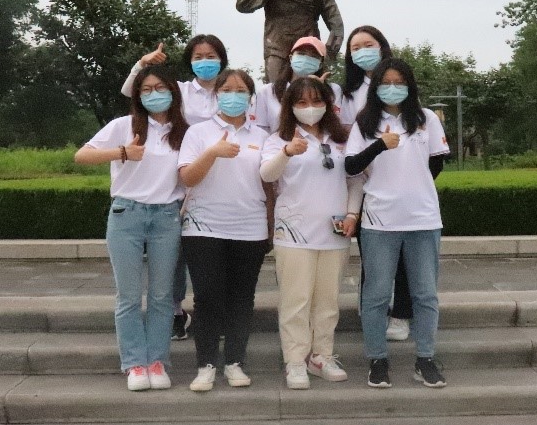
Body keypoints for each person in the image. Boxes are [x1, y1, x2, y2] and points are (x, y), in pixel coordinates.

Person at [74, 65, 188, 391]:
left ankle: (157, 361)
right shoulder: (123, 125)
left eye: (160, 88)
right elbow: (81, 156)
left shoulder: (184, 131)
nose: (154, 94)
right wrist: (123, 152)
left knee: (162, 295)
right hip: (127, 214)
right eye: (146, 89)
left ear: (173, 91)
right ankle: (135, 363)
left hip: (167, 217)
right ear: (137, 95)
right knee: (128, 295)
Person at [344, 57, 450, 389]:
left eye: (399, 82)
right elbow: (351, 166)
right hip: (379, 221)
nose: (393, 88)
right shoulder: (365, 122)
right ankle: (377, 359)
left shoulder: (426, 119)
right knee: (376, 295)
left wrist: (412, 187)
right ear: (376, 88)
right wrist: (379, 145)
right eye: (386, 83)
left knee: (425, 294)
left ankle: (425, 359)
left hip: (423, 219)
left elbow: (436, 163)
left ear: (410, 86)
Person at [121, 34, 232, 341]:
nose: (205, 62)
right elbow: (133, 92)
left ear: (222, 59)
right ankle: (174, 312)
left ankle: (216, 313)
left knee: (216, 251)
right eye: (198, 57)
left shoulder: (231, 89)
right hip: (184, 175)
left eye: (211, 56)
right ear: (189, 61)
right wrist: (141, 65)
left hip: (226, 176)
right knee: (176, 252)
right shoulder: (181, 91)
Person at [177, 69, 272, 392]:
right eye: (227, 90)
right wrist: (211, 153)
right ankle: (206, 364)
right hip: (203, 227)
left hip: (249, 227)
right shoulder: (198, 133)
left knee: (242, 297)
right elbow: (188, 178)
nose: (234, 96)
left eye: (240, 90)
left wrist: (271, 224)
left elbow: (271, 183)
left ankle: (234, 361)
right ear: (216, 95)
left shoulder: (262, 136)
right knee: (207, 296)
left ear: (251, 97)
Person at [259, 76, 355, 390]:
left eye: (316, 101)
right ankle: (295, 360)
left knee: (328, 300)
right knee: (296, 300)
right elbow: (267, 174)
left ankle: (321, 355)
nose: (310, 108)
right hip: (294, 233)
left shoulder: (341, 138)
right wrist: (287, 152)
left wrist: (353, 213)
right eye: (301, 102)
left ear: (328, 104)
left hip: (335, 232)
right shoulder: (279, 139)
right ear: (290, 107)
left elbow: (355, 179)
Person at [341, 25, 413, 342]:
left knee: (405, 256)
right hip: (361, 178)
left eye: (367, 45)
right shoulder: (347, 93)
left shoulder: (400, 85)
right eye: (355, 48)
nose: (362, 52)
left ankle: (402, 314)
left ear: (382, 46)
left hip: (400, 182)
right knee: (372, 251)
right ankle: (373, 307)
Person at [254, 36, 342, 134]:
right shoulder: (268, 91)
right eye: (301, 53)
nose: (306, 59)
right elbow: (261, 131)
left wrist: (321, 92)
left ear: (320, 64)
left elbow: (334, 125)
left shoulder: (333, 90)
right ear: (291, 58)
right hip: (279, 142)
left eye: (313, 56)